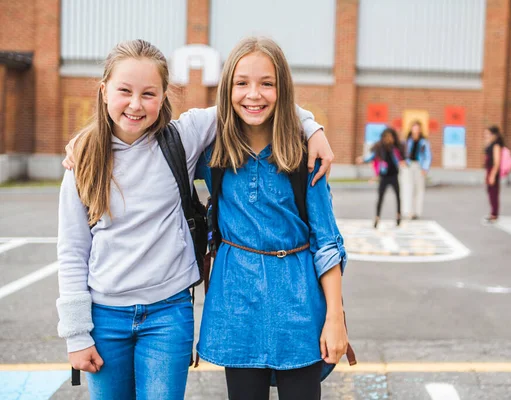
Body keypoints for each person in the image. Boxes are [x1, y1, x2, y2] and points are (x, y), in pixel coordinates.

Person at [57, 39, 334, 400]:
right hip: (105, 315)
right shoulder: (84, 160)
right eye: (125, 91)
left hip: (168, 315)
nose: (136, 104)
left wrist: (312, 128)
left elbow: (252, 102)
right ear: (104, 90)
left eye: (149, 93)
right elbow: (72, 251)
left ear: (164, 96)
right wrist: (77, 334)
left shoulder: (183, 138)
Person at [194, 37, 348, 400]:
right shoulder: (211, 154)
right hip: (237, 306)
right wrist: (85, 142)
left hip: (299, 308)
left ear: (283, 89)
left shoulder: (305, 156)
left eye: (267, 83)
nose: (254, 94)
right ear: (227, 88)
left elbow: (327, 243)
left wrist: (335, 318)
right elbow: (149, 141)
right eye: (242, 83)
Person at [356, 127, 405, 228]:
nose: (388, 139)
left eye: (390, 137)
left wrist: (402, 162)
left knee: (398, 196)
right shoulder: (380, 148)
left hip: (394, 175)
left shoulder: (396, 148)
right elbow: (372, 156)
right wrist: (363, 160)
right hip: (384, 176)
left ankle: (398, 215)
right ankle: (377, 217)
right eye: (386, 137)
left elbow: (401, 158)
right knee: (380, 197)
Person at [402, 120, 431, 220]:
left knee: (419, 189)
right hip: (408, 166)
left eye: (418, 128)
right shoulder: (407, 140)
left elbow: (428, 156)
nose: (416, 130)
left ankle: (416, 212)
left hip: (419, 166)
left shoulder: (424, 141)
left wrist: (425, 168)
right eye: (414, 127)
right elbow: (402, 152)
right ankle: (407, 211)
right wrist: (403, 161)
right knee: (407, 188)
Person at [482, 125, 504, 223]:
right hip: (489, 171)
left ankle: (494, 214)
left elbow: (497, 162)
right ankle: (492, 213)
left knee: (494, 193)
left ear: (494, 135)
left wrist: (492, 175)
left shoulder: (496, 146)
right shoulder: (490, 144)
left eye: (488, 134)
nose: (486, 136)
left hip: (493, 171)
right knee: (490, 192)